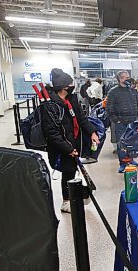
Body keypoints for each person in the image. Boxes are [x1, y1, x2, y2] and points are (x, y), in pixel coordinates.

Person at [41, 68, 99, 213]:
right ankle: (66, 201)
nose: (73, 86)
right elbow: (52, 133)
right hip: (62, 146)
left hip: (75, 141)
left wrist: (92, 132)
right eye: (71, 83)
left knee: (72, 170)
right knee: (67, 172)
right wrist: (68, 149)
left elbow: (81, 119)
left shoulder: (71, 100)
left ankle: (74, 196)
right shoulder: (51, 106)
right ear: (64, 87)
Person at [106, 70, 138, 173]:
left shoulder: (132, 91)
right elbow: (109, 107)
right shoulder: (113, 92)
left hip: (133, 121)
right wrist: (116, 120)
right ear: (120, 79)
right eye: (126, 77)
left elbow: (137, 103)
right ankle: (123, 163)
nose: (128, 79)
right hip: (120, 122)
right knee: (121, 143)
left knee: (132, 142)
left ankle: (130, 160)